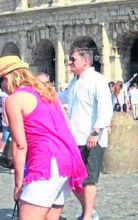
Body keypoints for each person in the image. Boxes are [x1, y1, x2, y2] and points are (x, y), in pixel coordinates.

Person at [2, 55, 87, 219]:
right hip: (69, 160)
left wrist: (19, 183)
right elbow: (68, 126)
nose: (2, 89)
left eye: (0, 83)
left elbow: (19, 146)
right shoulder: (47, 91)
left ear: (8, 78)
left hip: (47, 163)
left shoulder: (14, 100)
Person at [61, 48, 113, 220]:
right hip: (75, 138)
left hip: (92, 138)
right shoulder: (75, 82)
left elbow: (105, 108)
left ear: (85, 61)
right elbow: (62, 97)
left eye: (73, 60)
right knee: (73, 179)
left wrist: (96, 131)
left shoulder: (98, 80)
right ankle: (89, 210)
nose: (70, 63)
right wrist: (40, 91)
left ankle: (88, 216)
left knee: (89, 179)